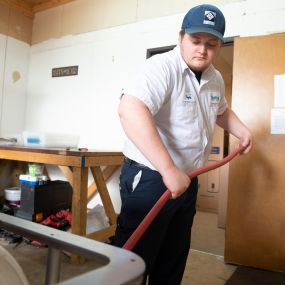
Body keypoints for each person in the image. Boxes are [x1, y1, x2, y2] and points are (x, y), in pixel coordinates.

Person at [113, 3, 252, 285]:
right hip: (152, 177)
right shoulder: (161, 67)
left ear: (219, 46)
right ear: (180, 38)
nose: (202, 50)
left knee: (173, 257)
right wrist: (167, 169)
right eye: (195, 40)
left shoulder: (215, 78)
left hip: (187, 180)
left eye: (211, 44)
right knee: (134, 262)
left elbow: (221, 111)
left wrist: (241, 130)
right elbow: (130, 109)